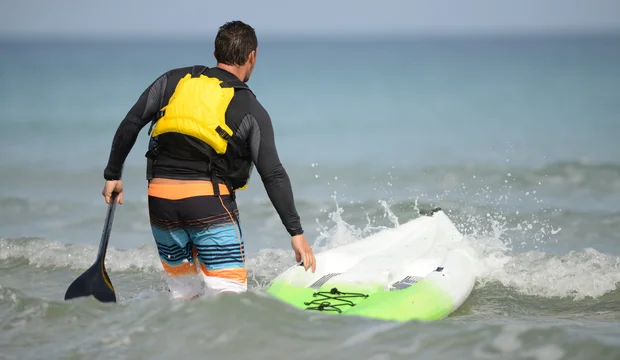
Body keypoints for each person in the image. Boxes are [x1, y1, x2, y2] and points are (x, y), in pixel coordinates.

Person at [100, 20, 316, 299]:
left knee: (182, 296)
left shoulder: (172, 81)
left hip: (161, 204)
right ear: (252, 57)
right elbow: (272, 173)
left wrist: (113, 175)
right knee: (229, 299)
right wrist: (296, 233)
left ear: (216, 54)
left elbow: (131, 123)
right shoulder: (250, 107)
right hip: (208, 205)